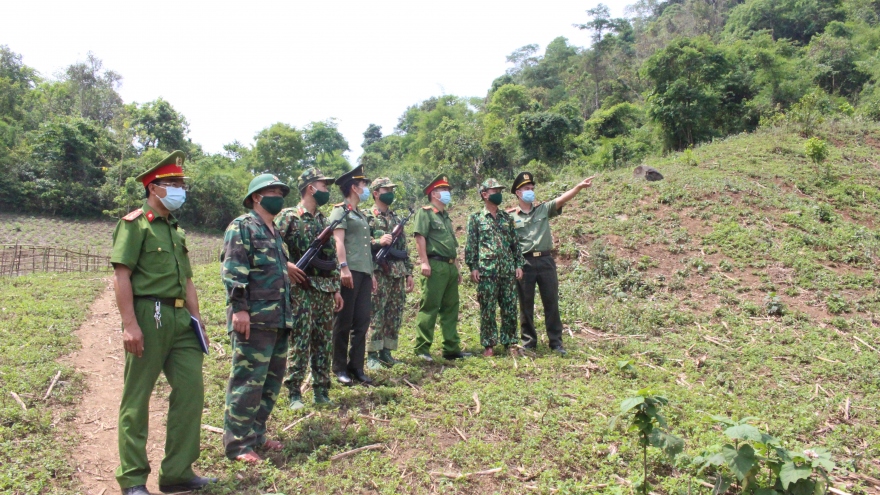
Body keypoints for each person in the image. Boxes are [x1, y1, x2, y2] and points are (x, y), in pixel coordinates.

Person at [110, 150, 217, 495]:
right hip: (149, 314)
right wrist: (129, 324)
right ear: (153, 187)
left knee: (190, 391)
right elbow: (121, 275)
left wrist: (197, 321)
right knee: (137, 397)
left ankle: (177, 472)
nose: (179, 190)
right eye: (172, 183)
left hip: (181, 319)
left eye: (181, 184)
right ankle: (133, 478)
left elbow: (188, 281)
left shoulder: (175, 230)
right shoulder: (135, 225)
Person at [220, 174, 306, 464]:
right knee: (248, 382)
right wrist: (240, 309)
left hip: (278, 318)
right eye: (272, 192)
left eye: (281, 192)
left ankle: (256, 434)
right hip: (253, 319)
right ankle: (238, 444)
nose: (279, 197)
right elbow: (234, 269)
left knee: (270, 383)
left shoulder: (274, 232)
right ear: (256, 197)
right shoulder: (243, 226)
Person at [276, 167, 344, 409]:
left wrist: (336, 289)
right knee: (301, 341)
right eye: (323, 185)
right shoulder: (289, 216)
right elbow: (271, 243)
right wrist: (286, 265)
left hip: (324, 289)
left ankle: (321, 390)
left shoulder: (324, 221)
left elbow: (331, 258)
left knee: (323, 341)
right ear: (310, 188)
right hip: (301, 288)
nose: (327, 190)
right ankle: (294, 392)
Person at [508, 172, 593, 355]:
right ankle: (529, 342)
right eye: (526, 188)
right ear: (518, 192)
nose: (530, 191)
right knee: (526, 304)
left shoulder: (543, 209)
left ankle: (556, 342)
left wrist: (578, 187)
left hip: (546, 260)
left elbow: (562, 199)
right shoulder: (510, 217)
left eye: (532, 188)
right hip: (524, 262)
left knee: (551, 302)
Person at [412, 174, 472, 361]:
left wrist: (457, 268)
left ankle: (451, 348)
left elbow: (451, 245)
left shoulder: (446, 217)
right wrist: (424, 262)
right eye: (443, 190)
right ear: (434, 193)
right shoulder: (425, 213)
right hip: (435, 265)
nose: (447, 193)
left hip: (449, 266)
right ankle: (422, 349)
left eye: (447, 190)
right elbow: (419, 237)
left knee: (451, 308)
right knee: (429, 307)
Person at [328, 164, 377, 385]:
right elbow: (338, 241)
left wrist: (371, 273)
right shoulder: (341, 211)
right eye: (363, 184)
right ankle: (339, 367)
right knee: (344, 321)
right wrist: (343, 267)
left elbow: (365, 248)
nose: (366, 188)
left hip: (364, 272)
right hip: (350, 272)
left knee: (362, 321)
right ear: (353, 187)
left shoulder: (360, 214)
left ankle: (356, 366)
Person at [466, 178, 525, 357]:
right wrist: (473, 267)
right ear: (484, 194)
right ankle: (489, 345)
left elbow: (515, 244)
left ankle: (510, 342)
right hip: (487, 271)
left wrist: (519, 264)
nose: (499, 194)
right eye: (495, 192)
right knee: (487, 308)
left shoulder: (507, 218)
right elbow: (471, 245)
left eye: (500, 191)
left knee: (509, 307)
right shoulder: (476, 218)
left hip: (507, 271)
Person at [365, 178, 414, 370]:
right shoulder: (367, 217)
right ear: (376, 193)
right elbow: (360, 242)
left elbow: (403, 248)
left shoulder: (395, 218)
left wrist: (408, 272)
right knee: (376, 313)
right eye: (387, 190)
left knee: (394, 313)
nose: (390, 193)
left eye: (392, 190)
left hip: (397, 272)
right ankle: (372, 354)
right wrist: (378, 241)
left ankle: (387, 352)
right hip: (378, 271)